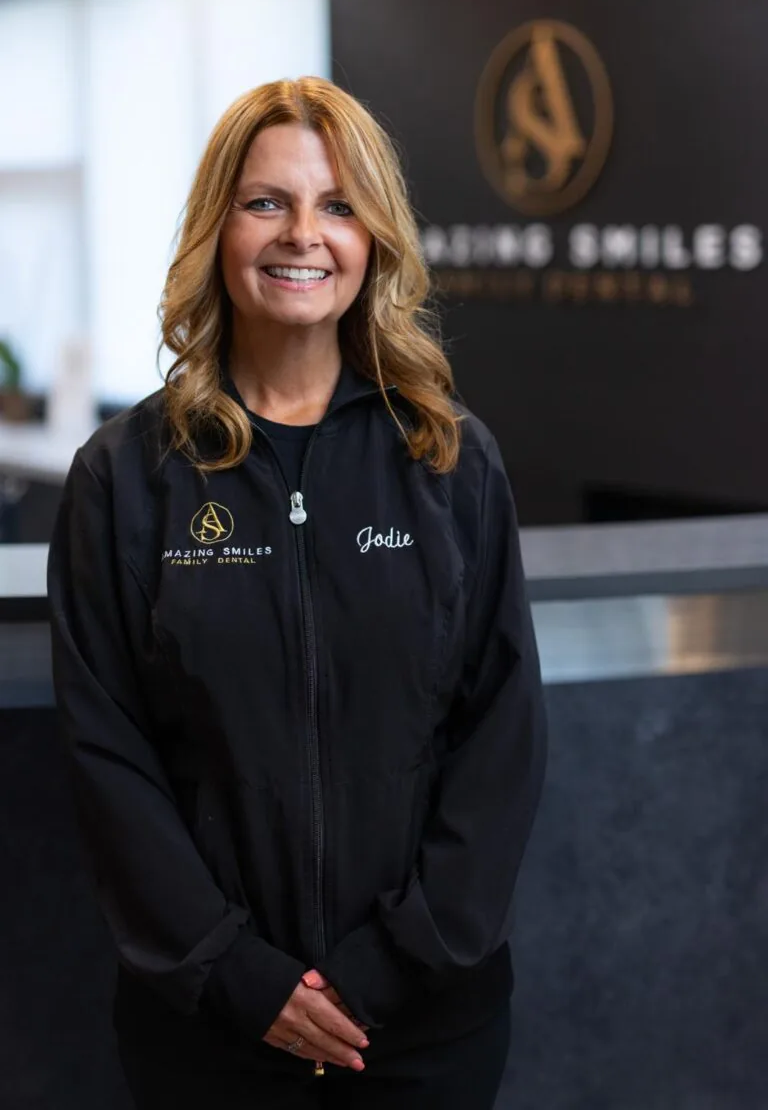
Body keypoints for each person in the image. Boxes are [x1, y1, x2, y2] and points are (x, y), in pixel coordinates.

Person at [47, 76, 547, 1110]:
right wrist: (235, 974)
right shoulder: (128, 475)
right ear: (217, 227)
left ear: (374, 239)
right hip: (209, 1034)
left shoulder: (449, 460)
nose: (302, 235)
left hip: (421, 1025)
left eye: (337, 204)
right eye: (266, 201)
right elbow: (109, 756)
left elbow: (501, 735)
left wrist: (387, 966)